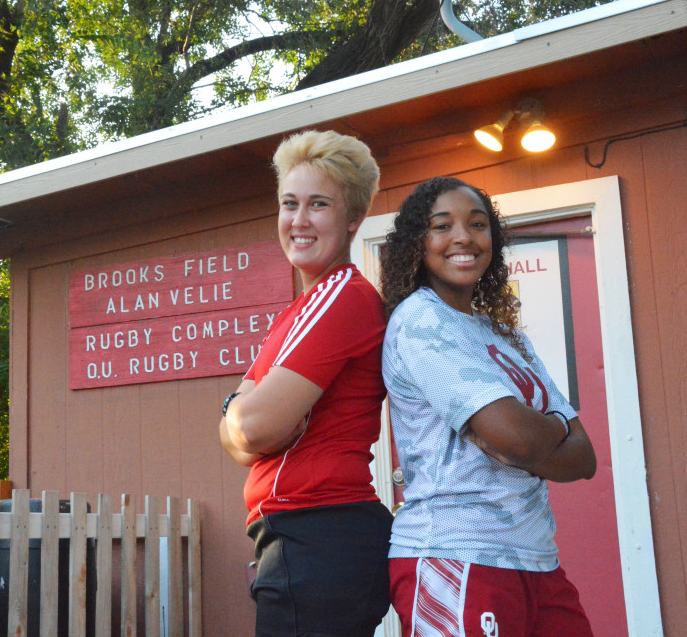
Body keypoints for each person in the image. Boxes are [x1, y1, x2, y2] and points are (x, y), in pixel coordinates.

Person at [379, 176, 597, 637]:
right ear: (418, 242)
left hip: (537, 558)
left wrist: (537, 432)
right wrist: (539, 432)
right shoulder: (420, 321)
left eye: (477, 224)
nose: (463, 237)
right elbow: (519, 438)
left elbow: (584, 457)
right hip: (456, 554)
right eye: (443, 226)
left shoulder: (505, 336)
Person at [219, 130, 393, 636]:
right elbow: (244, 436)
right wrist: (241, 409)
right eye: (289, 203)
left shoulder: (343, 296)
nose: (299, 220)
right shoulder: (295, 314)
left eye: (318, 205)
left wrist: (241, 410)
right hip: (299, 536)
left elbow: (250, 429)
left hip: (320, 531)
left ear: (354, 218)